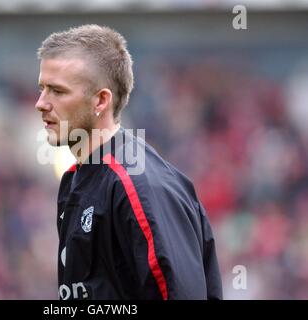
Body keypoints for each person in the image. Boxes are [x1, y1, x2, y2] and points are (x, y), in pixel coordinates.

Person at [35, 24, 222, 300]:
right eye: (42, 88)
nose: (41, 103)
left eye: (57, 91)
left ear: (101, 100)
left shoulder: (138, 184)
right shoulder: (76, 180)